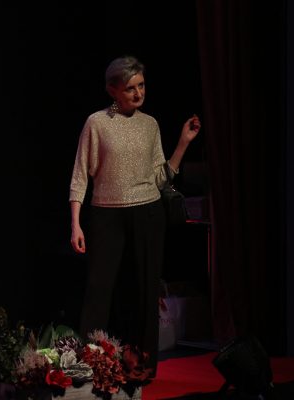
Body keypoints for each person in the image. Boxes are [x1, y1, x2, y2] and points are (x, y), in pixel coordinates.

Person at [69, 55, 201, 375]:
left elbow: (160, 177)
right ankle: (90, 363)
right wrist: (75, 223)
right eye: (130, 88)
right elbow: (80, 175)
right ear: (112, 90)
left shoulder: (150, 124)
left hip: (148, 213)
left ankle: (143, 366)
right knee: (99, 290)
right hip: (106, 215)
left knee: (145, 290)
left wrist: (183, 143)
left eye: (141, 85)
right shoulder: (97, 123)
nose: (138, 93)